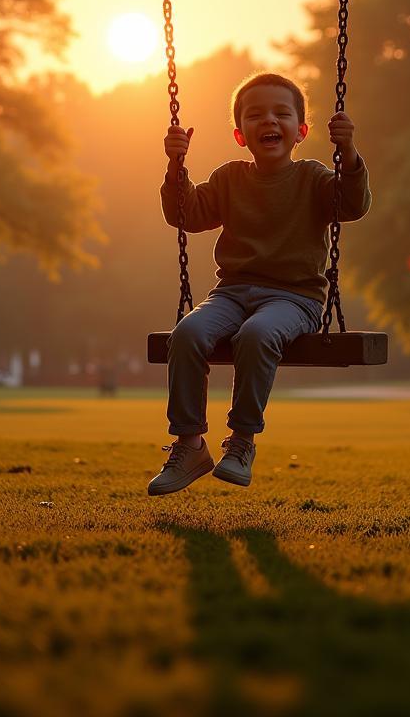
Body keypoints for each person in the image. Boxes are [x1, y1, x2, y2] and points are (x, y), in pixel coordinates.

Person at [148, 72, 371, 496]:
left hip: (295, 298)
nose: (268, 120)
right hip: (231, 293)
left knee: (257, 335)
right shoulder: (230, 177)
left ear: (301, 131)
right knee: (188, 332)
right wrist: (176, 164)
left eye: (281, 113)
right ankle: (190, 444)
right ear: (240, 134)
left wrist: (348, 150)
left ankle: (242, 441)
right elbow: (187, 215)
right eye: (255, 115)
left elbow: (353, 204)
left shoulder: (314, 177)